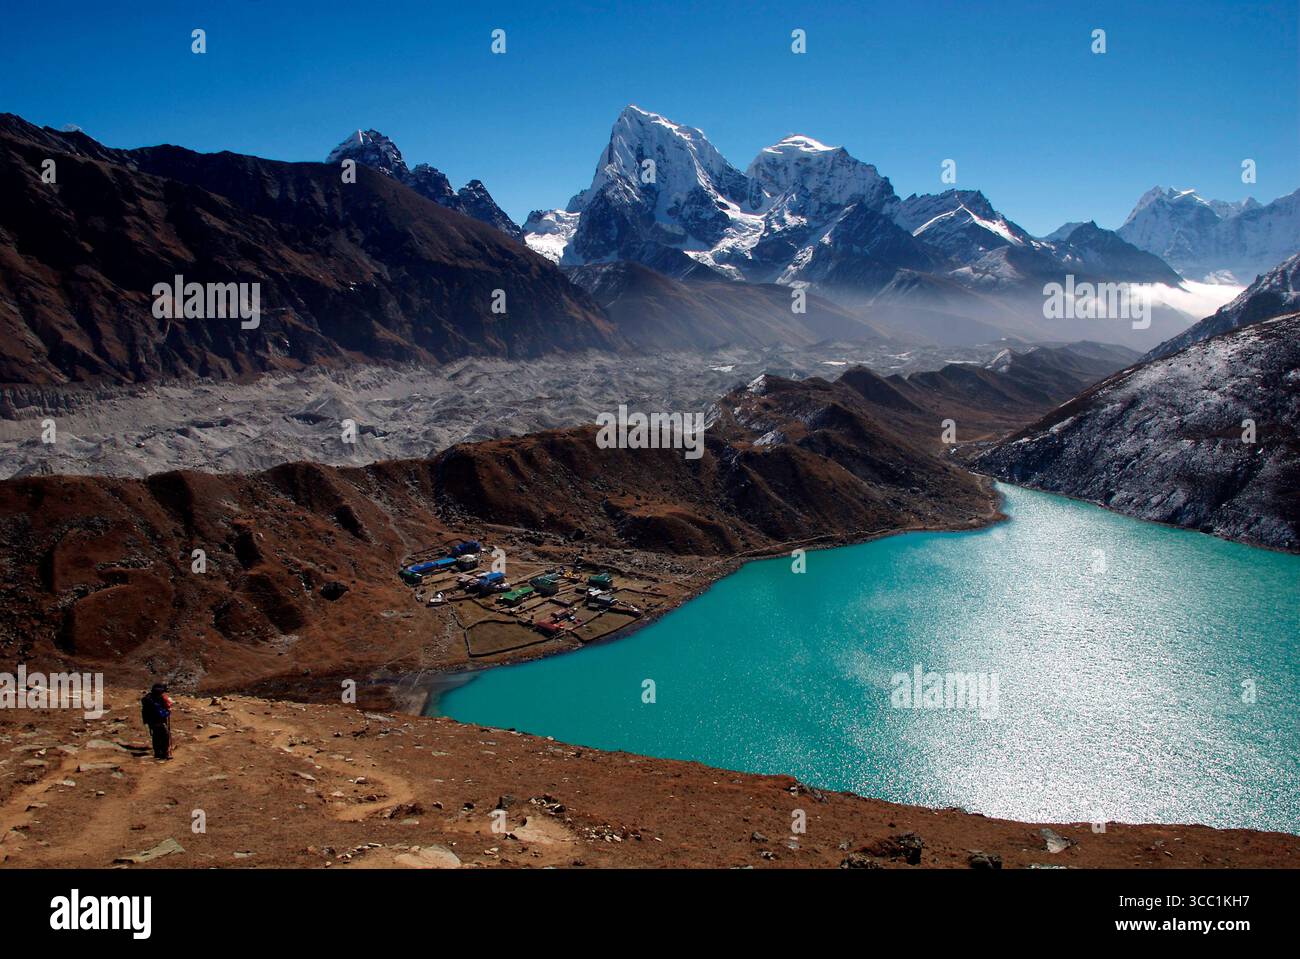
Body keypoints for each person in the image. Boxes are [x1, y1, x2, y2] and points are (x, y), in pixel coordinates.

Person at [140, 683, 173, 760]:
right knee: (164, 735)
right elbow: (165, 708)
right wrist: (168, 710)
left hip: (151, 720)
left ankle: (158, 752)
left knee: (156, 735)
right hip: (159, 719)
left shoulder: (148, 698)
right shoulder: (159, 698)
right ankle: (165, 753)